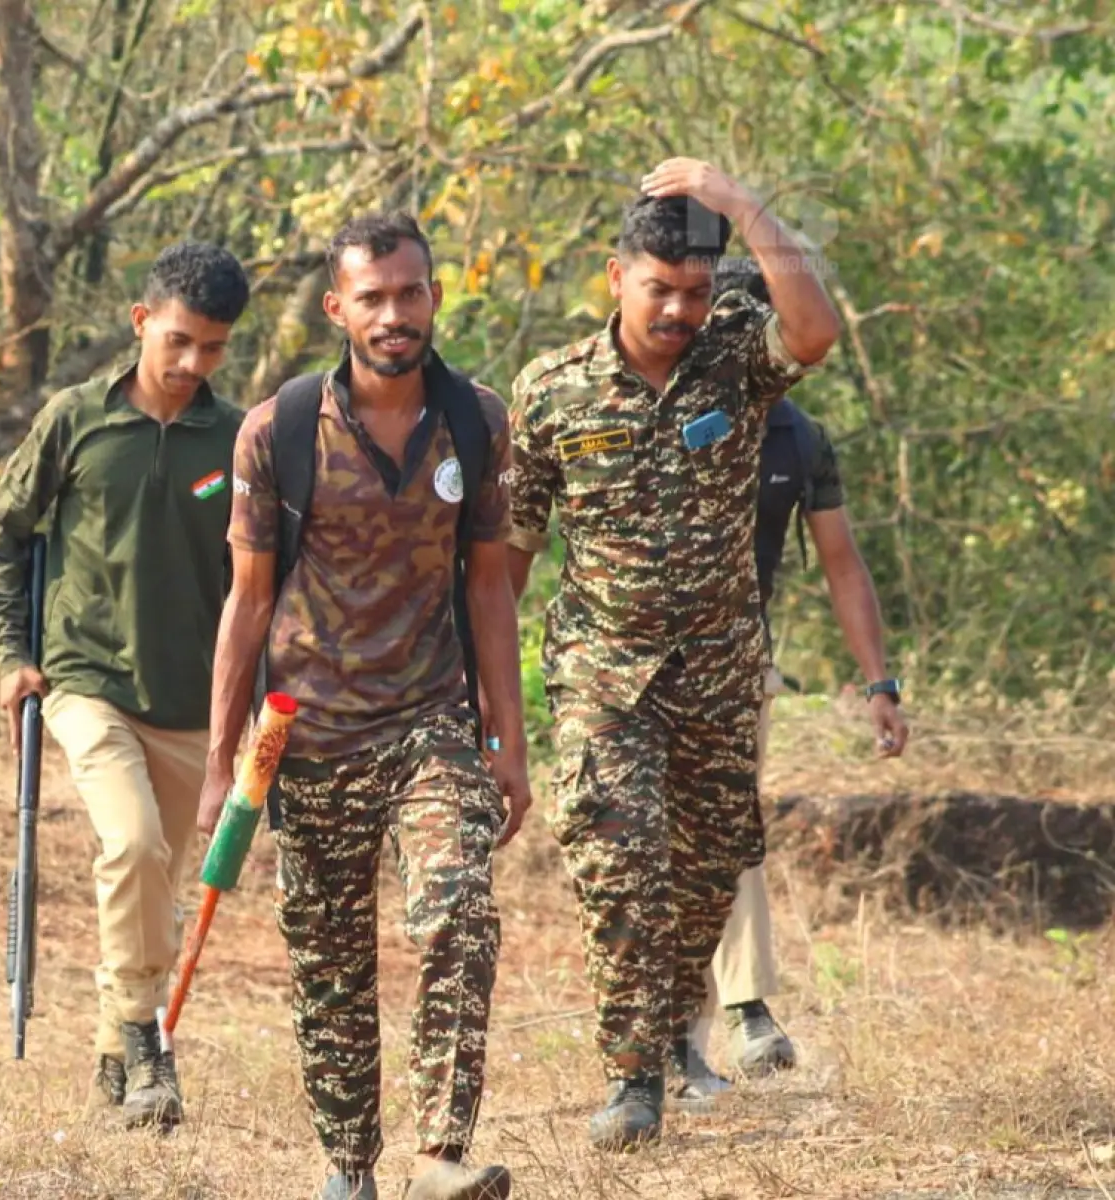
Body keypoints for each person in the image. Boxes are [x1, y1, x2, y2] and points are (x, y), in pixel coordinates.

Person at [503, 160, 842, 1151]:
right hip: (602, 674)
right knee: (618, 864)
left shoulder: (737, 357)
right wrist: (481, 690)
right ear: (616, 276)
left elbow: (816, 331)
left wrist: (740, 204)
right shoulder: (554, 391)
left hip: (718, 673)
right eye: (662, 289)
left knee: (700, 889)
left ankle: (664, 1035)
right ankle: (629, 1079)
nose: (681, 309)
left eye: (696, 291)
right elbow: (512, 552)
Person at [204, 213, 528, 1200]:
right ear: (338, 306)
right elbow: (249, 600)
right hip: (309, 733)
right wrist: (223, 762)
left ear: (435, 296)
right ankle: (350, 1171)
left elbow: (488, 589)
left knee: (457, 911)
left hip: (430, 720)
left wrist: (505, 743)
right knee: (330, 967)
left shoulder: (476, 422)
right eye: (373, 297)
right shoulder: (281, 429)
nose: (396, 314)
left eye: (412, 292)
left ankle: (439, 1155)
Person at [0, 240, 252, 1132]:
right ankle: (146, 1044)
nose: (190, 364)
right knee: (131, 849)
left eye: (211, 348)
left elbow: (262, 579)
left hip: (191, 697)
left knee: (160, 886)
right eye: (177, 341)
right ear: (141, 323)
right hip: (87, 680)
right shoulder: (74, 417)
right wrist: (12, 652)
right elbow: (4, 532)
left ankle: (112, 1056)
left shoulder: (239, 437)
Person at [677, 257, 908, 1086]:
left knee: (725, 829)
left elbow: (843, 563)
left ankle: (736, 1013)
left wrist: (879, 683)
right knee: (655, 846)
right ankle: (694, 1024)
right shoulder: (667, 414)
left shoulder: (802, 437)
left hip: (742, 668)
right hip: (638, 670)